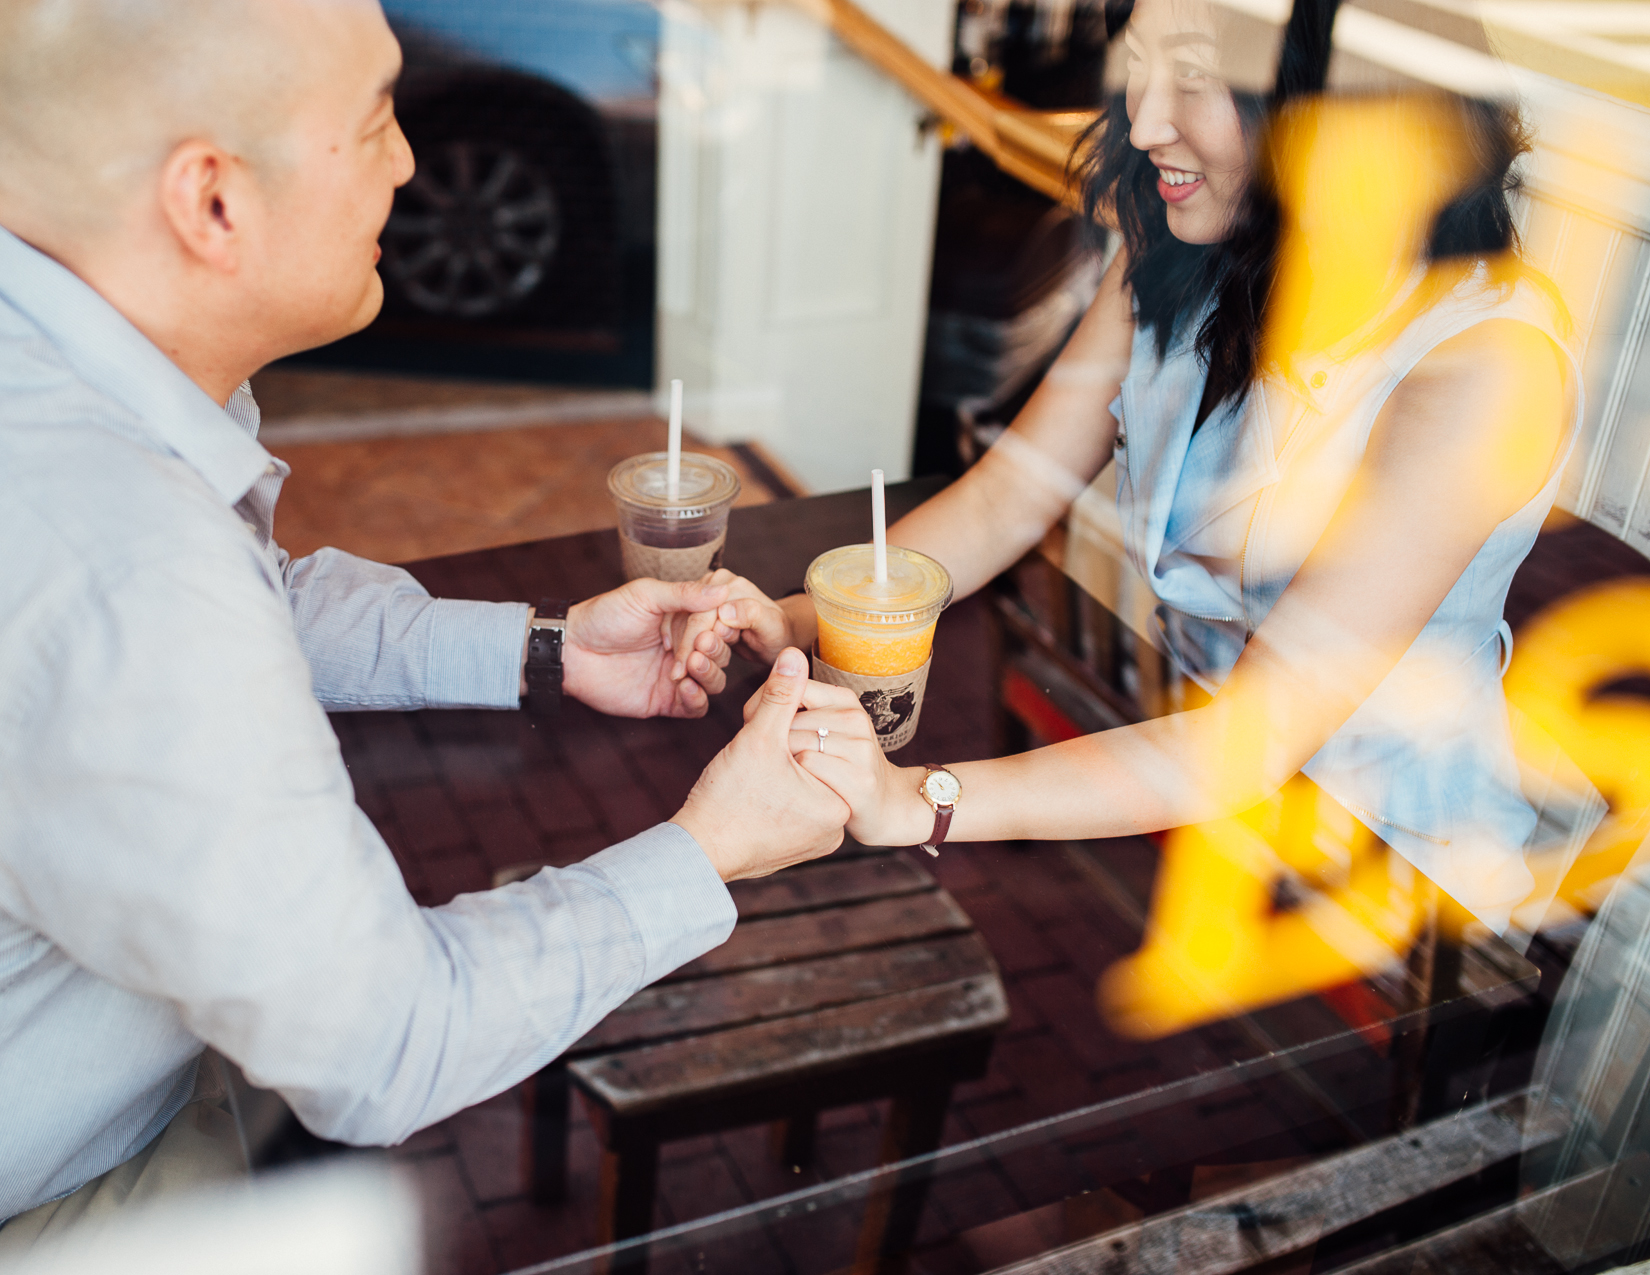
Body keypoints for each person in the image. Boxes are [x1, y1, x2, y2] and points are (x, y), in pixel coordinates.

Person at [0, 0, 848, 1238]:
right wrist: (714, 844)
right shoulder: (124, 567)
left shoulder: (71, 380)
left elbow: (258, 600)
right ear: (213, 202)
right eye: (378, 118)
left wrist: (544, 648)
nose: (409, 162)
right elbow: (387, 1041)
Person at [700, 0, 1583, 933]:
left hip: (1389, 886)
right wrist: (795, 618)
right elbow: (1005, 499)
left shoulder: (1483, 366)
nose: (1145, 119)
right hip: (1197, 811)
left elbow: (1255, 737)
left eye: (1195, 74)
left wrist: (923, 799)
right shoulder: (1185, 257)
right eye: (1140, 65)